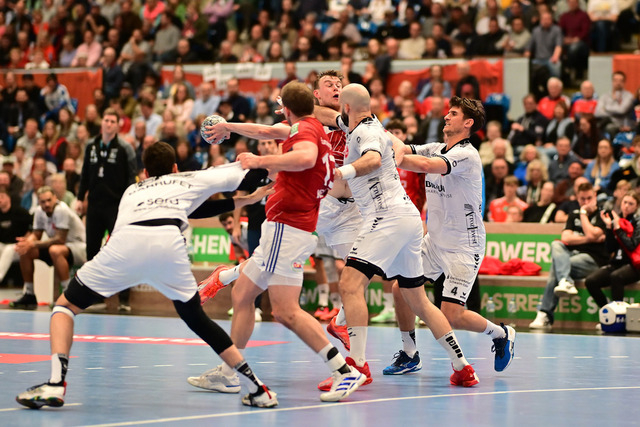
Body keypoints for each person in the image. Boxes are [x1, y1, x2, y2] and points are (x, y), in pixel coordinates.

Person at [15, 142, 278, 409]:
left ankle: (56, 384)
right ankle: (257, 388)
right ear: (175, 168)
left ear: (144, 173)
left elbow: (189, 208)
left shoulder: (132, 190)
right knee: (197, 319)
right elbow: (249, 173)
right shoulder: (187, 178)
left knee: (64, 307)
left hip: (125, 244)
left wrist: (243, 199)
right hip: (167, 243)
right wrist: (258, 186)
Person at [194, 81, 367, 403]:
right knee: (243, 295)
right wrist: (230, 126)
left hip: (287, 229)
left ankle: (344, 371)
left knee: (286, 311)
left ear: (285, 109)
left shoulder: (305, 132)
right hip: (287, 228)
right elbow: (265, 132)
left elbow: (305, 157)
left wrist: (261, 162)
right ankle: (229, 372)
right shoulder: (312, 128)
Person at [324, 86, 481, 389]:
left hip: (388, 217)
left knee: (350, 284)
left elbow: (373, 161)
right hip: (409, 219)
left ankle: (356, 366)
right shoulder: (367, 126)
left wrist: (341, 173)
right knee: (417, 299)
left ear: (346, 106)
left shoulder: (365, 133)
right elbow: (325, 116)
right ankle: (462, 367)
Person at [399, 95, 516, 373]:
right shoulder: (436, 147)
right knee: (401, 288)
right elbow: (403, 147)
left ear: (468, 123)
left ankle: (501, 334)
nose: (446, 116)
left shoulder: (467, 155)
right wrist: (371, 132)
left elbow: (425, 166)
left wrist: (392, 158)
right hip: (435, 241)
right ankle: (409, 353)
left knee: (452, 314)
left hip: (464, 246)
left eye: (453, 113)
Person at [76, 108, 137, 311]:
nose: (109, 124)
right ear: (101, 122)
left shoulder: (125, 148)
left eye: (112, 121)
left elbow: (131, 178)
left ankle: (124, 300)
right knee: (92, 252)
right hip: (94, 205)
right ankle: (94, 298)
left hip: (116, 207)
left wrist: (129, 204)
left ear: (118, 125)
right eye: (106, 120)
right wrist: (80, 198)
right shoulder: (91, 145)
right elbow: (85, 173)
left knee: (122, 251)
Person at [529, 182, 609, 330]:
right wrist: (589, 239)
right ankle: (565, 280)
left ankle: (545, 313)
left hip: (593, 260)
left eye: (589, 198)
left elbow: (592, 233)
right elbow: (566, 238)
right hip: (572, 256)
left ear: (595, 196)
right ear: (577, 198)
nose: (586, 202)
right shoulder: (573, 214)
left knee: (556, 267)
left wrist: (583, 214)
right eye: (582, 199)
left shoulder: (603, 214)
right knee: (556, 244)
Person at [10, 186, 87, 309]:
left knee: (55, 250)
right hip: (60, 247)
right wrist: (27, 242)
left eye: (49, 200)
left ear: (55, 198)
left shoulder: (62, 210)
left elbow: (60, 239)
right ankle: (29, 294)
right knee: (25, 250)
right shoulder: (39, 211)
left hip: (79, 247)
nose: (46, 204)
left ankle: (68, 295)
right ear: (39, 202)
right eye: (43, 201)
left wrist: (33, 243)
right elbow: (36, 234)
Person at [585, 192, 640, 309]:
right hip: (616, 263)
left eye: (631, 204)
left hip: (634, 265)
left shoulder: (637, 222)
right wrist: (609, 228)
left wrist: (618, 229)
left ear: (636, 206)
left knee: (616, 276)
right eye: (625, 202)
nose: (626, 206)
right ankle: (608, 311)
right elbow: (609, 249)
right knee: (591, 281)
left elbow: (631, 245)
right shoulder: (615, 220)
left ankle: (618, 314)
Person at [0, 186, 31, 285]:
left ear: (8, 198)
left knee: (9, 249)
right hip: (3, 245)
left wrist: (26, 239)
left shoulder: (20, 212)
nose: (0, 200)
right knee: (4, 248)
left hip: (18, 247)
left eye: (2, 197)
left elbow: (32, 227)